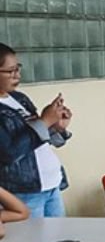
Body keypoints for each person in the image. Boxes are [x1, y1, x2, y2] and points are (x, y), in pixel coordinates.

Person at [0, 43, 72, 217]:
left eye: (18, 68)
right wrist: (45, 121)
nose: (17, 75)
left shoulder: (19, 98)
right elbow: (8, 154)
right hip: (23, 192)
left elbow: (39, 138)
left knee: (58, 241)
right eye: (10, 71)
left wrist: (57, 127)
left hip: (51, 184)